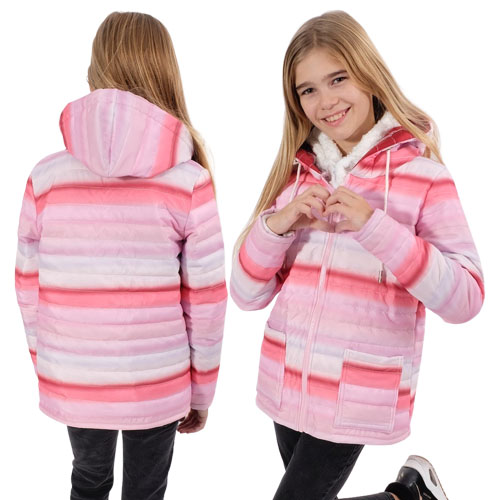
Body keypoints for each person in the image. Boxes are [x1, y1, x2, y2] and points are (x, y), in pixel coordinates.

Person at [230, 10, 483, 500]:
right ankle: (409, 496)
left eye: (338, 79)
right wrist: (277, 226)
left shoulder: (423, 176)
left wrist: (376, 227)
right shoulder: (298, 177)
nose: (325, 101)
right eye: (308, 90)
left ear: (368, 73)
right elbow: (246, 294)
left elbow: (466, 298)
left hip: (357, 390)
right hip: (288, 382)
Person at [14, 11, 227, 500]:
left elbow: (28, 288)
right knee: (145, 491)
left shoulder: (46, 177)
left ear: (95, 70)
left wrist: (52, 365)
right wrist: (201, 389)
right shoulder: (188, 180)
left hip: (75, 375)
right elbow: (207, 301)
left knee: (88, 480)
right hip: (157, 379)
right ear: (165, 73)